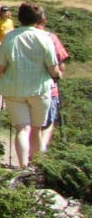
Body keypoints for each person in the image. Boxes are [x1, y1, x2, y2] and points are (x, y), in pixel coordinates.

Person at [0, 2, 61, 168]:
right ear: (39, 19)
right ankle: (36, 166)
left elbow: (0, 66)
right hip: (39, 89)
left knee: (21, 129)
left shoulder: (10, 37)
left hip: (13, 89)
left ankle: (23, 166)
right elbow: (53, 68)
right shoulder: (45, 38)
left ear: (19, 18)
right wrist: (57, 75)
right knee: (37, 129)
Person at [38, 19, 69, 153]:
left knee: (30, 125)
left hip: (21, 89)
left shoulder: (15, 36)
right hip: (48, 88)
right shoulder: (50, 38)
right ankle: (41, 151)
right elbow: (60, 65)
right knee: (48, 123)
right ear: (43, 21)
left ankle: (31, 153)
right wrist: (58, 73)